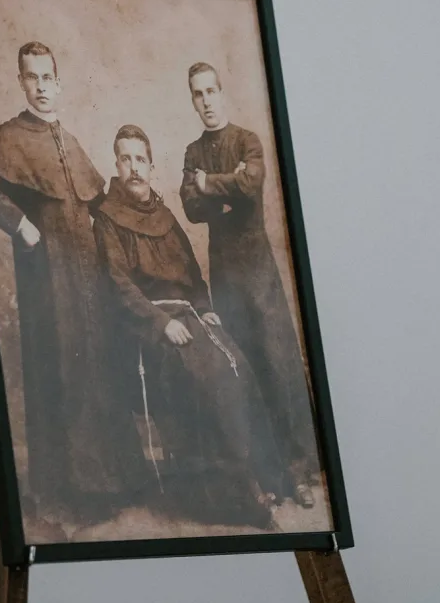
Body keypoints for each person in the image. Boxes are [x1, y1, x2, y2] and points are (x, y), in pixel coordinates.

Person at [0, 42, 144, 532]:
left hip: (88, 276)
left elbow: (97, 199)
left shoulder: (68, 138)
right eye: (32, 78)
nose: (41, 87)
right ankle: (71, 491)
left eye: (47, 77)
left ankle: (112, 481)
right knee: (61, 370)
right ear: (21, 83)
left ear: (59, 82)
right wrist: (19, 224)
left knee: (96, 365)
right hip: (48, 279)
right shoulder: (10, 136)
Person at [93, 123, 282, 530]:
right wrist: (161, 323)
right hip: (146, 326)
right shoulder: (107, 219)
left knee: (236, 364)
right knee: (208, 376)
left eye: (140, 159)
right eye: (125, 159)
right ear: (117, 165)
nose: (134, 168)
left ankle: (260, 477)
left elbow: (192, 274)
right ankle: (228, 494)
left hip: (188, 316)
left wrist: (204, 308)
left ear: (150, 165)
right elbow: (118, 285)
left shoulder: (163, 214)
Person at [180, 62, 320, 507]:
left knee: (277, 361)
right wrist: (226, 194)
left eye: (211, 91)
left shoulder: (248, 141)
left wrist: (210, 185)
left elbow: (250, 182)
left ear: (222, 92)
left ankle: (299, 471)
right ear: (192, 100)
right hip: (224, 272)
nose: (206, 100)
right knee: (243, 366)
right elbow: (192, 208)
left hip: (258, 269)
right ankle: (266, 475)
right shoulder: (192, 152)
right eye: (197, 93)